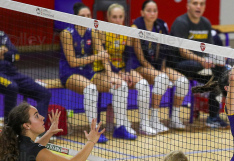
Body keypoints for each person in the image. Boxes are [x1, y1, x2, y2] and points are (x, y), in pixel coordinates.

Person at [93, 3, 155, 139]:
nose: (117, 20)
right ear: (108, 17)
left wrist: (126, 72)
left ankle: (144, 124)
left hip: (121, 68)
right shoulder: (101, 31)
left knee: (143, 85)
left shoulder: (127, 31)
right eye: (114, 17)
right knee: (122, 86)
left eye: (120, 17)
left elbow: (128, 55)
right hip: (103, 69)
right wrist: (118, 73)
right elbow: (105, 59)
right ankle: (122, 125)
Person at [131, 0, 190, 131]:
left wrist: (162, 69)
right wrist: (158, 73)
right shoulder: (135, 28)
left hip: (158, 66)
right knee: (162, 79)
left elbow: (164, 51)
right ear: (142, 12)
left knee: (183, 82)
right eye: (149, 10)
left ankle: (174, 118)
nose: (152, 14)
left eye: (155, 11)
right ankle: (154, 119)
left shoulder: (161, 26)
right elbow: (140, 57)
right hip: (139, 66)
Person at [170, 0, 229, 128]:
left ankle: (213, 117)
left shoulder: (205, 23)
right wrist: (202, 60)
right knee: (209, 69)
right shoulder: (181, 23)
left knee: (223, 75)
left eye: (202, 4)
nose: (198, 6)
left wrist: (219, 57)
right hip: (180, 64)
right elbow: (182, 50)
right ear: (188, 5)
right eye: (195, 3)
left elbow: (210, 47)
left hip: (202, 66)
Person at [59, 2, 110, 143]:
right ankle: (93, 131)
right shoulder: (66, 34)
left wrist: (111, 76)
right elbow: (73, 62)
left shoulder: (92, 31)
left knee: (120, 86)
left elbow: (103, 54)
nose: (87, 18)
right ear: (75, 17)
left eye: (89, 15)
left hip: (88, 73)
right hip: (69, 73)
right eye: (83, 16)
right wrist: (97, 57)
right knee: (91, 89)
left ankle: (122, 126)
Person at [0, 31, 51, 121]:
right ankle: (9, 127)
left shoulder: (2, 35)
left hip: (12, 72)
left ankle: (37, 127)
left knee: (44, 93)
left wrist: (5, 54)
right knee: (12, 87)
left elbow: (16, 56)